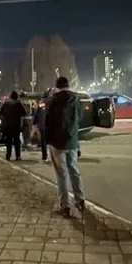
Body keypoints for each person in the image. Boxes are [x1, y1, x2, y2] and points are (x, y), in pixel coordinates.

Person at [46, 76, 85, 218]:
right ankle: (80, 200)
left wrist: (47, 140)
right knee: (74, 170)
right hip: (72, 141)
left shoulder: (53, 101)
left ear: (57, 87)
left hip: (57, 143)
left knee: (61, 175)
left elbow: (48, 123)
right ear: (68, 86)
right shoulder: (76, 99)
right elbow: (79, 117)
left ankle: (65, 206)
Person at [0, 91, 26, 161]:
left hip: (7, 126)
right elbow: (24, 112)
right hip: (16, 126)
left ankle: (8, 156)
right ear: (16, 96)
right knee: (16, 141)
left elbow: (1, 112)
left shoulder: (6, 103)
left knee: (9, 141)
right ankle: (18, 156)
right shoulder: (18, 103)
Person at [34, 90, 51, 162]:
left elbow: (37, 112)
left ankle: (44, 156)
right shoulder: (53, 101)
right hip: (51, 124)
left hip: (42, 124)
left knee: (43, 141)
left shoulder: (42, 102)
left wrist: (35, 122)